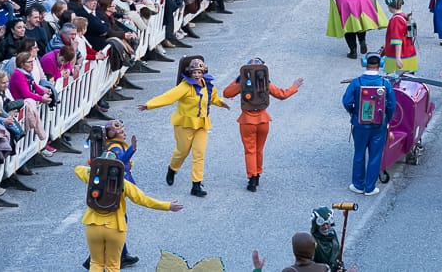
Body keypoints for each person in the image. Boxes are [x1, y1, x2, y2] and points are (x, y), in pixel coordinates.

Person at [138, 57, 229, 197]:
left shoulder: (207, 84)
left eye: (199, 72)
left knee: (199, 154)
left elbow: (212, 97)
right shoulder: (184, 87)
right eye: (194, 72)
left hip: (202, 125)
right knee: (182, 152)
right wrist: (149, 105)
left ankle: (196, 185)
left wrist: (220, 103)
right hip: (184, 125)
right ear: (189, 73)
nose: (197, 75)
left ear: (204, 71)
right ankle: (172, 168)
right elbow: (167, 97)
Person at [74, 157, 183, 272]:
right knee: (113, 266)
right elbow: (144, 200)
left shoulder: (92, 178)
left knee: (96, 263)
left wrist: (94, 169)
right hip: (115, 229)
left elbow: (78, 169)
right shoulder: (124, 184)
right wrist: (167, 206)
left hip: (93, 226)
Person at [221, 59, 302, 192]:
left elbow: (227, 93)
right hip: (263, 121)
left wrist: (238, 79)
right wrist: (294, 87)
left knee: (250, 150)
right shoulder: (265, 83)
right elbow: (282, 95)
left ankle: (252, 179)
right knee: (259, 149)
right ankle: (258, 174)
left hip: (247, 121)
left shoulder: (242, 83)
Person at [341, 53, 395, 196]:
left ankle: (358, 185)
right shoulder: (385, 84)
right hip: (379, 126)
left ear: (364, 63)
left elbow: (346, 102)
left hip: (359, 125)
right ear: (381, 64)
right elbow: (391, 106)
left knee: (359, 154)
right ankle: (370, 187)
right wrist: (386, 120)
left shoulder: (356, 82)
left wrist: (353, 112)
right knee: (375, 155)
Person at [381, 0, 417, 74]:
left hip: (399, 57)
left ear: (390, 7)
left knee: (396, 82)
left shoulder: (396, 20)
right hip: (408, 54)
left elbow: (397, 40)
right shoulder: (403, 16)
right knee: (409, 81)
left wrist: (398, 58)